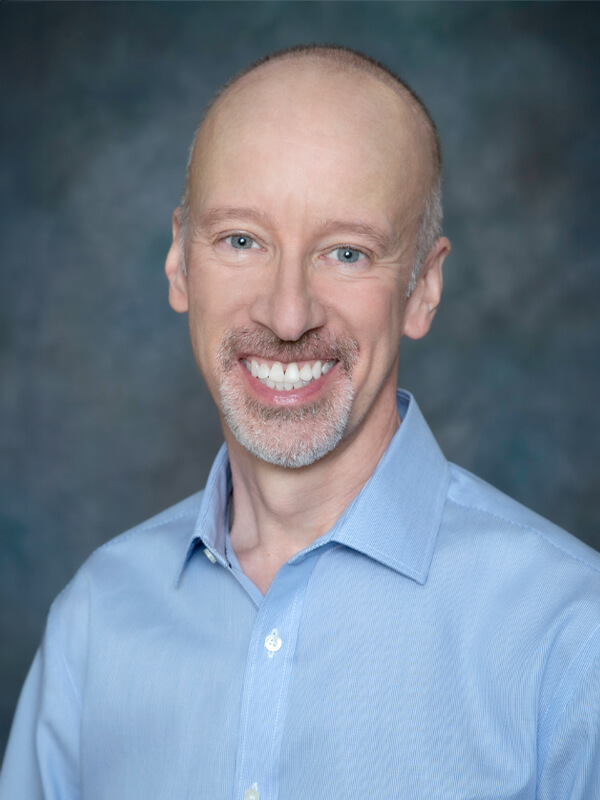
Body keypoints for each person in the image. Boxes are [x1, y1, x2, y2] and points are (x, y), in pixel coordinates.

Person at [1, 44, 599, 800]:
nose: (288, 316)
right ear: (180, 265)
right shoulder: (95, 623)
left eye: (347, 253)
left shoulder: (574, 642)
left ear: (423, 288)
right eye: (242, 241)